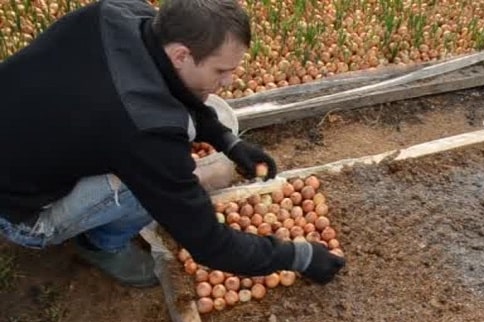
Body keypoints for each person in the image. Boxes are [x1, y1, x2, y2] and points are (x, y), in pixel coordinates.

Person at [0, 0, 345, 288]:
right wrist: (300, 256)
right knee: (152, 185)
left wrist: (227, 140)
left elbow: (170, 86)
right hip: (19, 215)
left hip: (21, 138)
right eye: (221, 71)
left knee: (148, 157)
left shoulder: (119, 13)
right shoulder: (145, 131)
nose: (229, 81)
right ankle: (101, 244)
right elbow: (210, 245)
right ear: (181, 54)